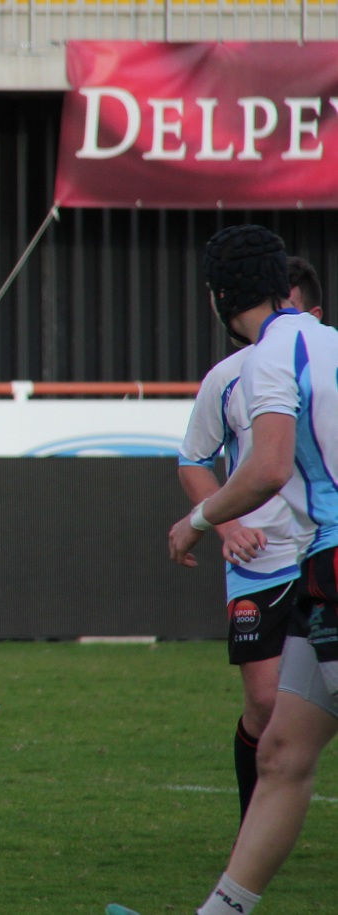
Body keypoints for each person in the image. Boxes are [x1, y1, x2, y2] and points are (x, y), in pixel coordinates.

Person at [109, 226, 338, 915]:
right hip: (313, 568)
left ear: (218, 296)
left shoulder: (266, 357)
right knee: (281, 754)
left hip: (332, 556)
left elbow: (267, 466)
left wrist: (198, 519)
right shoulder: (326, 341)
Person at [177, 260, 321, 825]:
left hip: (320, 548)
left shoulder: (325, 363)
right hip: (260, 560)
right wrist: (226, 524)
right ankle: (251, 828)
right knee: (264, 704)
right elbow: (193, 459)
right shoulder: (230, 376)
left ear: (311, 313)